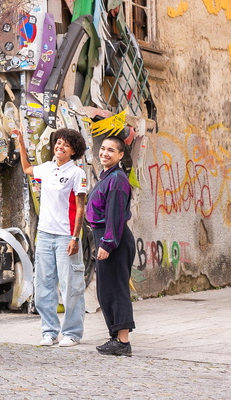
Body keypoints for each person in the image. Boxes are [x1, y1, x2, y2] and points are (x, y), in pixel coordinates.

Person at [13, 126, 88, 347]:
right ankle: (49, 331)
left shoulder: (77, 173)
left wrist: (75, 238)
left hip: (66, 236)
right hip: (44, 235)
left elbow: (81, 207)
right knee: (44, 285)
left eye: (66, 144)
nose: (60, 146)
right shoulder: (46, 168)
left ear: (73, 151)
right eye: (58, 142)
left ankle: (72, 333)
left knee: (71, 285)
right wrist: (22, 144)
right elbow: (27, 168)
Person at [86, 135, 135, 357]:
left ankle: (123, 342)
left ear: (120, 155)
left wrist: (107, 243)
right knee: (106, 290)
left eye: (111, 150)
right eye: (103, 148)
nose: (104, 153)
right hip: (105, 236)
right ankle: (116, 336)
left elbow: (114, 214)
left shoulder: (117, 179)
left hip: (113, 238)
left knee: (116, 288)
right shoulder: (107, 176)